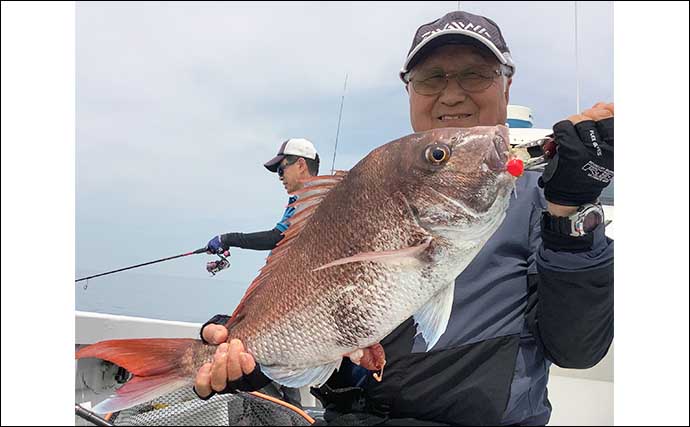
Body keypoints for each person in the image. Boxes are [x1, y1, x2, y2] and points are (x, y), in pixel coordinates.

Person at [195, 10, 614, 426]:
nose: (452, 95)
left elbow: (577, 350)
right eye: (433, 78)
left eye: (475, 75)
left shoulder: (547, 202)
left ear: (507, 86)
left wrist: (570, 213)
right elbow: (339, 315)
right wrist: (247, 349)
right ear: (410, 91)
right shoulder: (368, 186)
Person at [197, 137, 321, 408]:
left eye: (281, 168)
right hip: (289, 303)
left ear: (301, 165)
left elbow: (276, 237)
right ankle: (289, 412)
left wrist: (229, 238)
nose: (279, 176)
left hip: (298, 308)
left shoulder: (313, 199)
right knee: (275, 373)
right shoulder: (298, 202)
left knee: (279, 378)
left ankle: (290, 414)